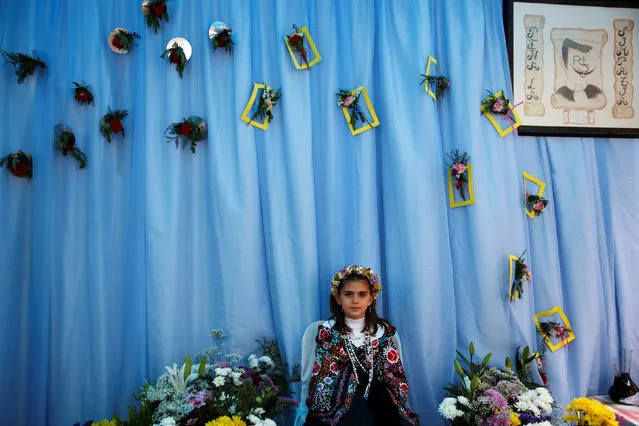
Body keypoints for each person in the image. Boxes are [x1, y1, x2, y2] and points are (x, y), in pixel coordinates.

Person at [295, 265, 420, 426]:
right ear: (338, 298)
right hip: (339, 405)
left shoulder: (383, 333)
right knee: (356, 412)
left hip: (380, 401)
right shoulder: (327, 333)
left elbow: (395, 376)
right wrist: (351, 384)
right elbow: (323, 378)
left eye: (362, 294)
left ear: (371, 298)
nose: (355, 300)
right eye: (348, 294)